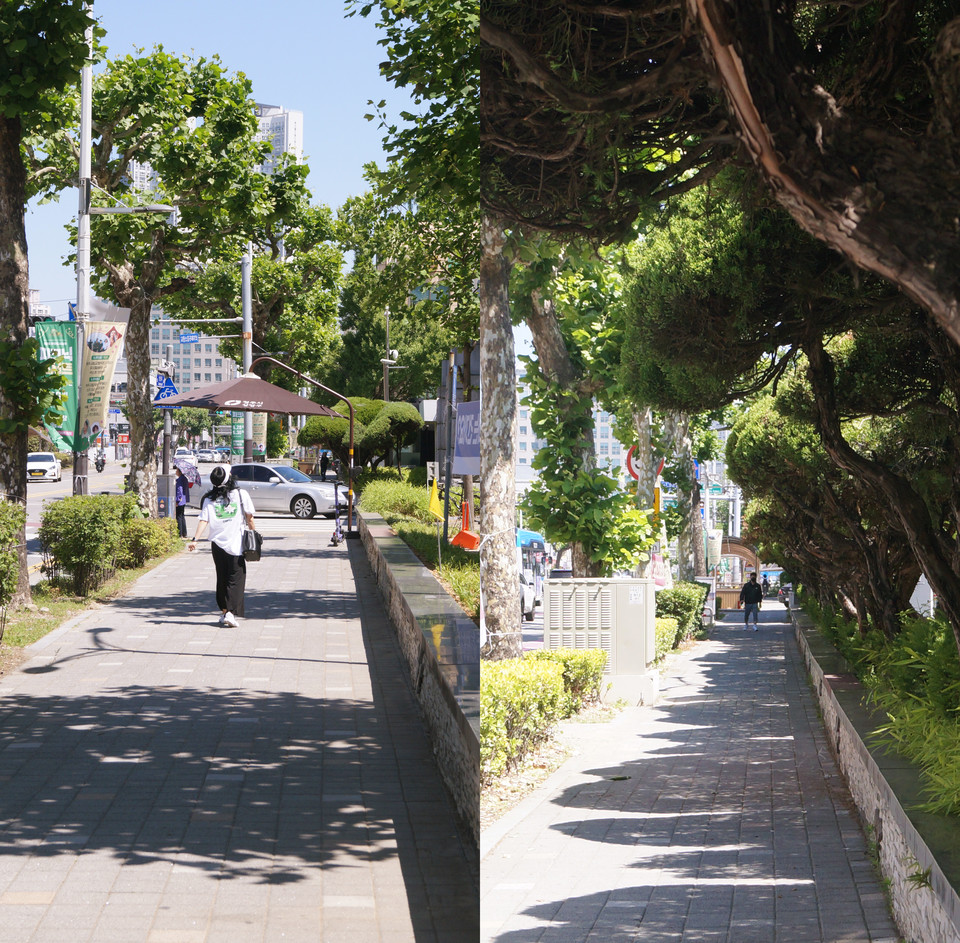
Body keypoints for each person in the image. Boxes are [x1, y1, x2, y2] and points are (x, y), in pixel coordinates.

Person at [187, 464, 255, 627]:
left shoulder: (209, 498)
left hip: (217, 545)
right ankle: (230, 613)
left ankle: (224, 611)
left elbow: (204, 520)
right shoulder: (240, 494)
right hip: (235, 544)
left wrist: (195, 539)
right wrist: (254, 533)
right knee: (236, 579)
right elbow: (249, 517)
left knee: (222, 578)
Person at [174, 466, 189, 538]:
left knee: (179, 517)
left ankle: (179, 533)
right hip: (183, 500)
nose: (176, 472)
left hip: (180, 500)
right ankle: (184, 532)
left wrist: (177, 500)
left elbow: (179, 490)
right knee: (182, 516)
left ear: (179, 472)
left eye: (177, 470)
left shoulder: (180, 480)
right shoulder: (185, 479)